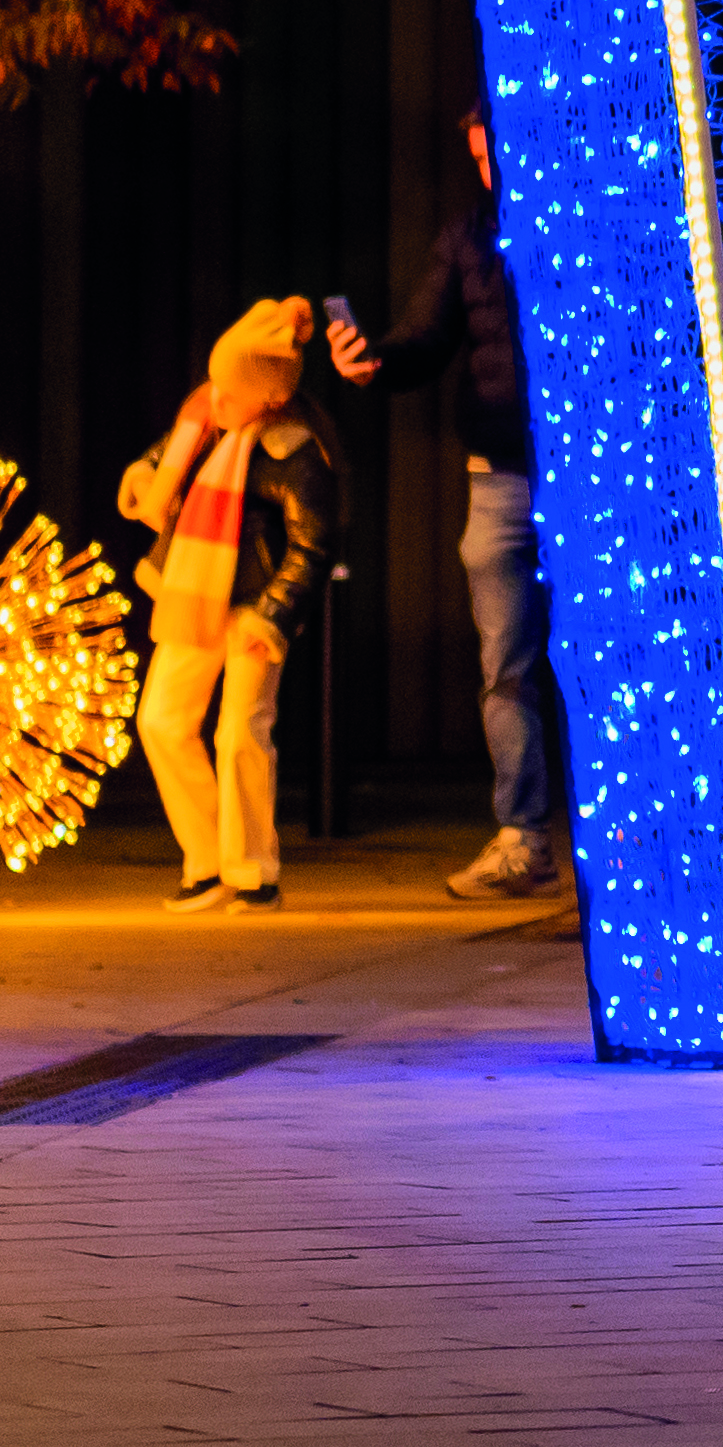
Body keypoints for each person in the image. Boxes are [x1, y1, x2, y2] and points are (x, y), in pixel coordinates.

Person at [330, 118, 574, 903]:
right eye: (477, 156)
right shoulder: (469, 237)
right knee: (504, 670)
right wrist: (371, 363)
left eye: (498, 150)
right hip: (497, 476)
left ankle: (639, 844)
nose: (491, 169)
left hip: (585, 481)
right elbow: (423, 338)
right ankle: (522, 840)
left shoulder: (586, 214)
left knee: (608, 666)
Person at [120, 297, 339, 913]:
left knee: (241, 732)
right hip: (195, 593)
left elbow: (312, 545)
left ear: (267, 398)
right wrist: (144, 474)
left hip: (250, 608)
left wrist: (272, 615)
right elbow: (165, 458)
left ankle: (252, 871)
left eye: (229, 388)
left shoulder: (294, 454)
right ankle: (209, 858)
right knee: (162, 720)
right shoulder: (206, 419)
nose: (213, 396)